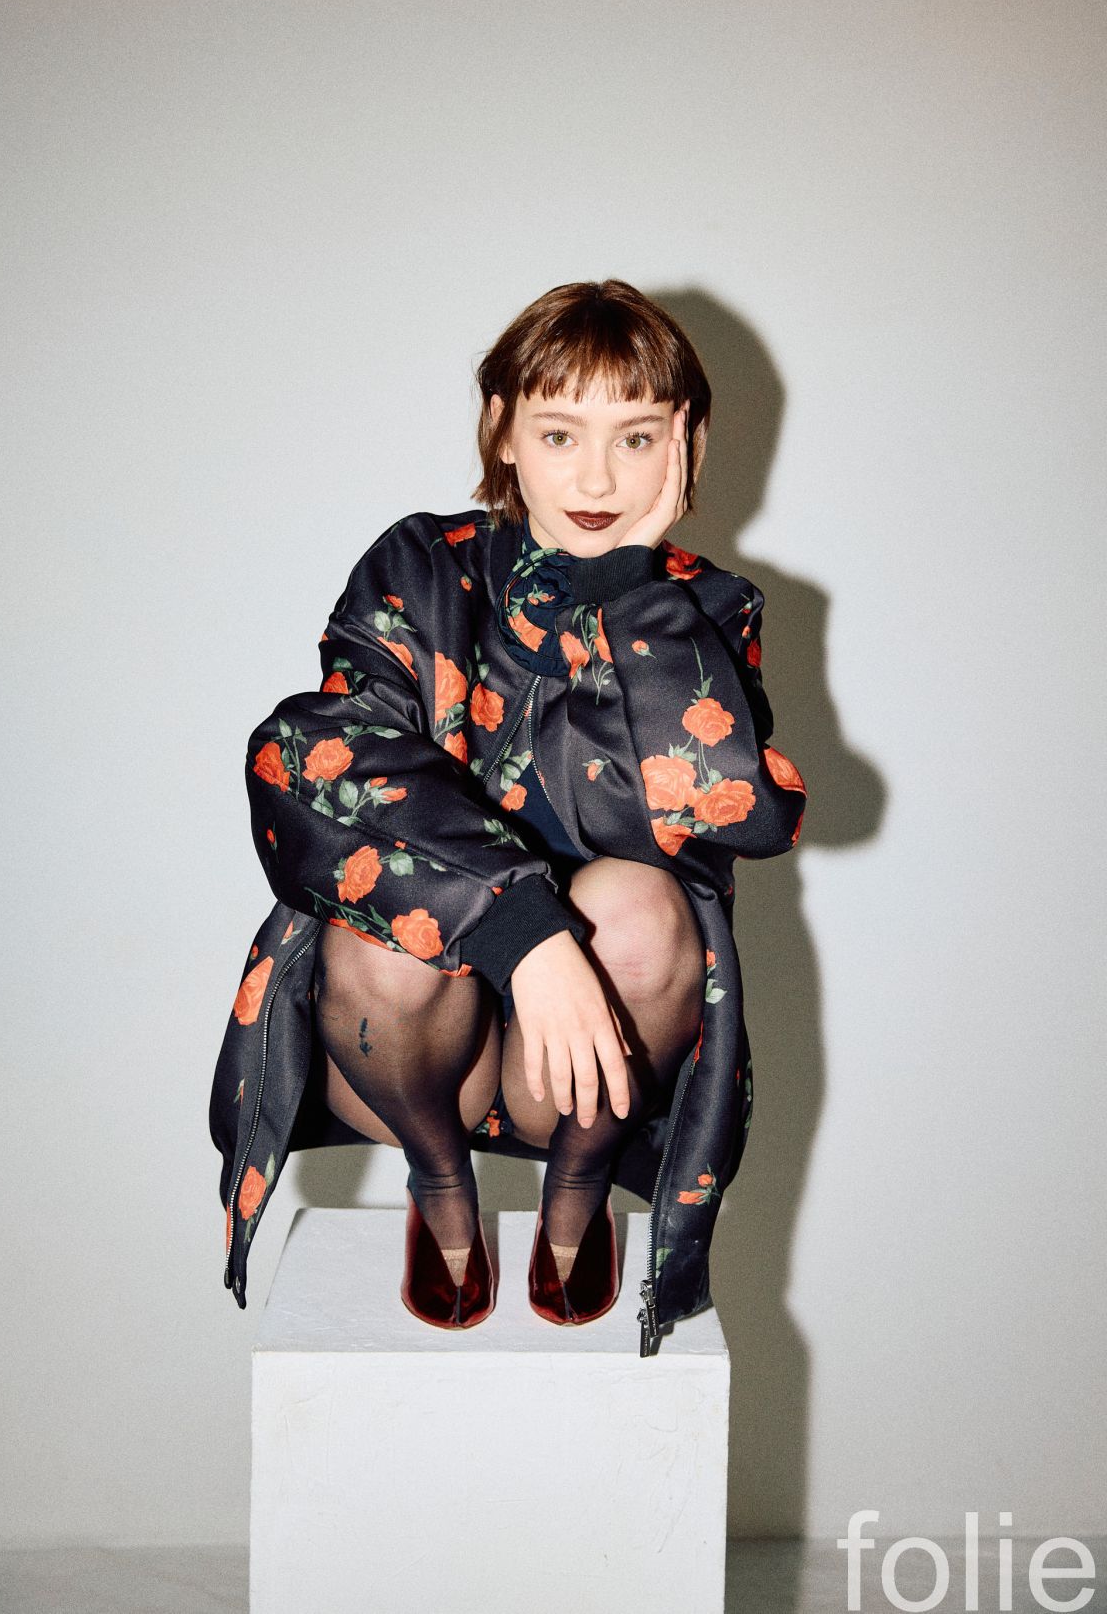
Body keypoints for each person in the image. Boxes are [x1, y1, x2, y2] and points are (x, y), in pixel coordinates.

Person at [212, 278, 807, 1351]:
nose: (597, 477)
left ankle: (577, 1188)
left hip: (584, 1063)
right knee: (384, 929)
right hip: (405, 1049)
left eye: (636, 437)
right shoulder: (422, 565)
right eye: (559, 432)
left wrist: (633, 590)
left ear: (685, 441)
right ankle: (439, 1180)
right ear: (502, 429)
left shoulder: (707, 607)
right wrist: (522, 931)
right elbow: (311, 753)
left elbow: (724, 812)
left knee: (642, 904)